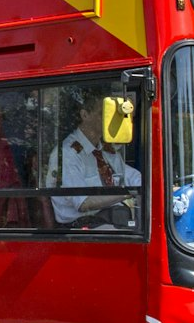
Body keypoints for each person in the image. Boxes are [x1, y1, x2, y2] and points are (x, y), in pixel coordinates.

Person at [46, 89, 141, 227]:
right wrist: (127, 193)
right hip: (82, 226)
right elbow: (84, 203)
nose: (107, 120)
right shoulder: (67, 154)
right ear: (85, 115)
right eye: (102, 114)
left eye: (110, 115)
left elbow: (131, 176)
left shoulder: (105, 149)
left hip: (113, 216)